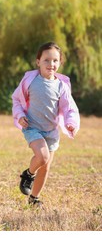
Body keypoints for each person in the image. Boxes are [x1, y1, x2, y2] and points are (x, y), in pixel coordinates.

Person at [12, 41, 80, 207]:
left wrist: (71, 123)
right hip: (32, 127)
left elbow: (69, 108)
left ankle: (34, 199)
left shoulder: (61, 86)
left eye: (55, 60)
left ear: (60, 63)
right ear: (38, 62)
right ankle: (28, 174)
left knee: (45, 167)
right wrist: (20, 116)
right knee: (42, 156)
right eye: (47, 60)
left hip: (51, 132)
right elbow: (17, 100)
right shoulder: (30, 81)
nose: (51, 64)